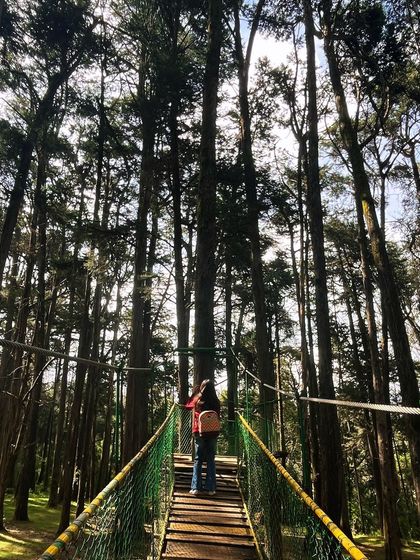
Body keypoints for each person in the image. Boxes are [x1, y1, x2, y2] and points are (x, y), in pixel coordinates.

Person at [185, 379, 220, 496]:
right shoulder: (216, 402)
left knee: (198, 459)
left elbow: (187, 406)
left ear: (202, 387)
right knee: (211, 459)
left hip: (198, 432)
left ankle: (196, 487)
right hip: (213, 433)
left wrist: (196, 393)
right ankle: (211, 488)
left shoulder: (198, 401)